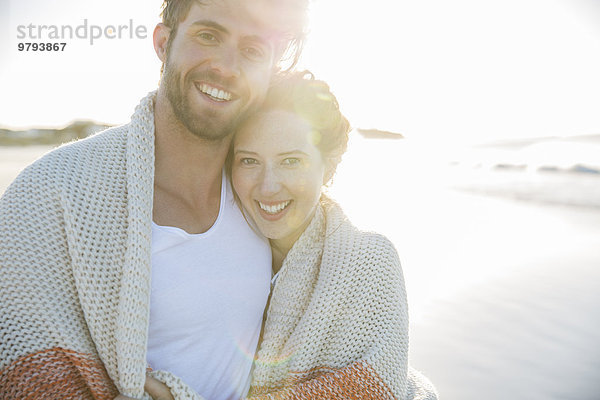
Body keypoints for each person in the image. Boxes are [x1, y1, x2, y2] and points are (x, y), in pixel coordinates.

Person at [0, 0, 308, 398]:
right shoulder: (51, 193)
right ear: (163, 42)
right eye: (209, 35)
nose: (227, 67)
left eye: (252, 50)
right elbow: (27, 372)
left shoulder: (266, 196)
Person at [227, 72, 437, 398]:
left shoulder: (370, 261)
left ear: (328, 167)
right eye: (249, 160)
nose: (267, 186)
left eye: (291, 161)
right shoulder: (213, 251)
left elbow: (376, 387)